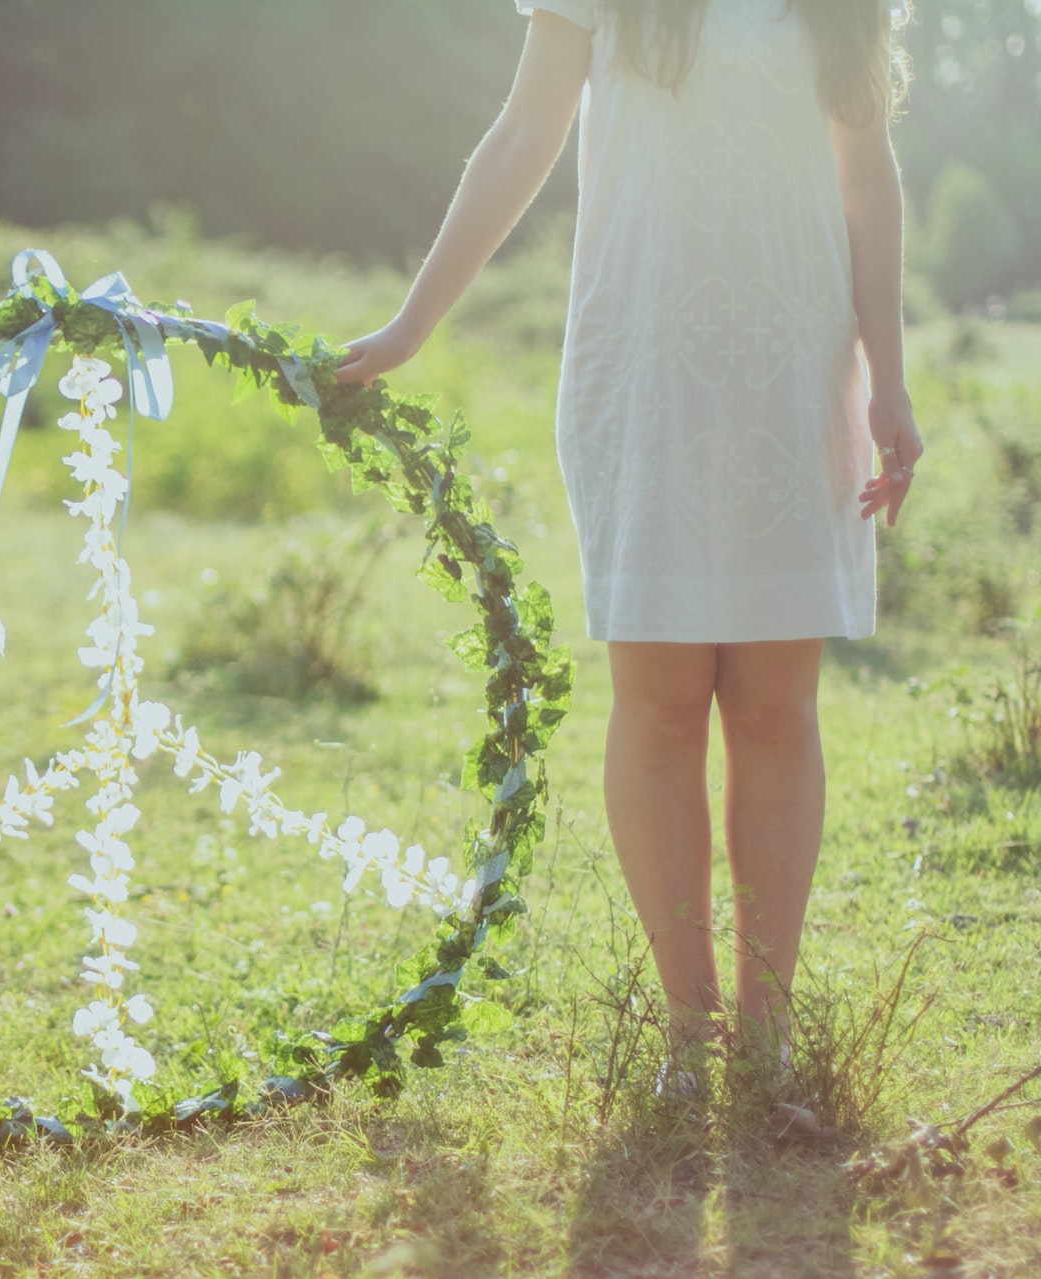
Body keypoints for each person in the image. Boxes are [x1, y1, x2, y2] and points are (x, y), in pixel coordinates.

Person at [336, 0, 923, 1087]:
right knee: (656, 700)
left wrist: (888, 377)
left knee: (776, 706)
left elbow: (868, 174)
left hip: (795, 368)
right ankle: (688, 1031)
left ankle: (768, 1030)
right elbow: (522, 135)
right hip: (643, 360)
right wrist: (414, 323)